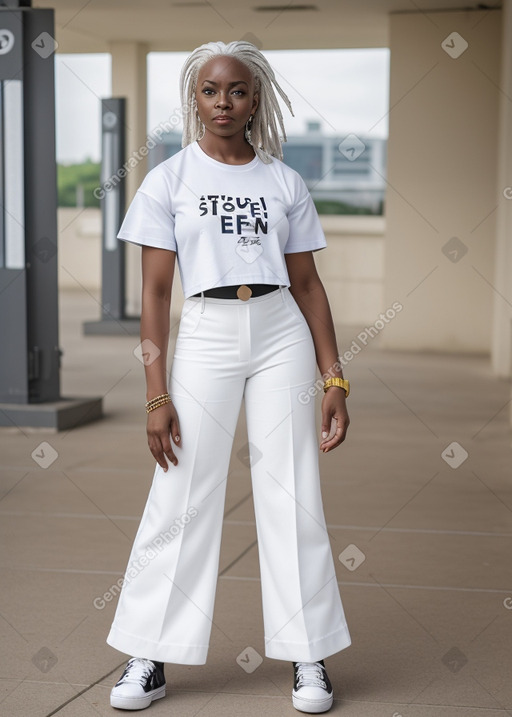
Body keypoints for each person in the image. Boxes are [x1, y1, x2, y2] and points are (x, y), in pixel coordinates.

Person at [106, 40, 351, 714]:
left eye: (237, 90)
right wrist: (156, 395)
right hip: (207, 332)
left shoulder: (283, 181)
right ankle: (148, 656)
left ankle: (309, 654)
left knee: (291, 489)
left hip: (279, 331)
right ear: (195, 98)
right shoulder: (169, 181)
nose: (223, 102)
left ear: (255, 99)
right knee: (180, 490)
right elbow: (156, 295)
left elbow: (307, 283)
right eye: (211, 90)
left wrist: (335, 379)